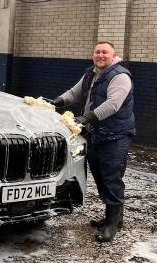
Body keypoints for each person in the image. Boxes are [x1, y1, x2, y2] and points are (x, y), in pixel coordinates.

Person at [50, 41, 135, 243]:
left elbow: (113, 104)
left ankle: (112, 225)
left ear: (114, 55)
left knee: (112, 178)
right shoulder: (91, 73)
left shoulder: (120, 76)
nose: (100, 55)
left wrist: (86, 118)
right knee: (99, 175)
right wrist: (57, 102)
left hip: (115, 135)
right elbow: (75, 92)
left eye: (105, 52)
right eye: (97, 52)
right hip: (95, 133)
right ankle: (114, 218)